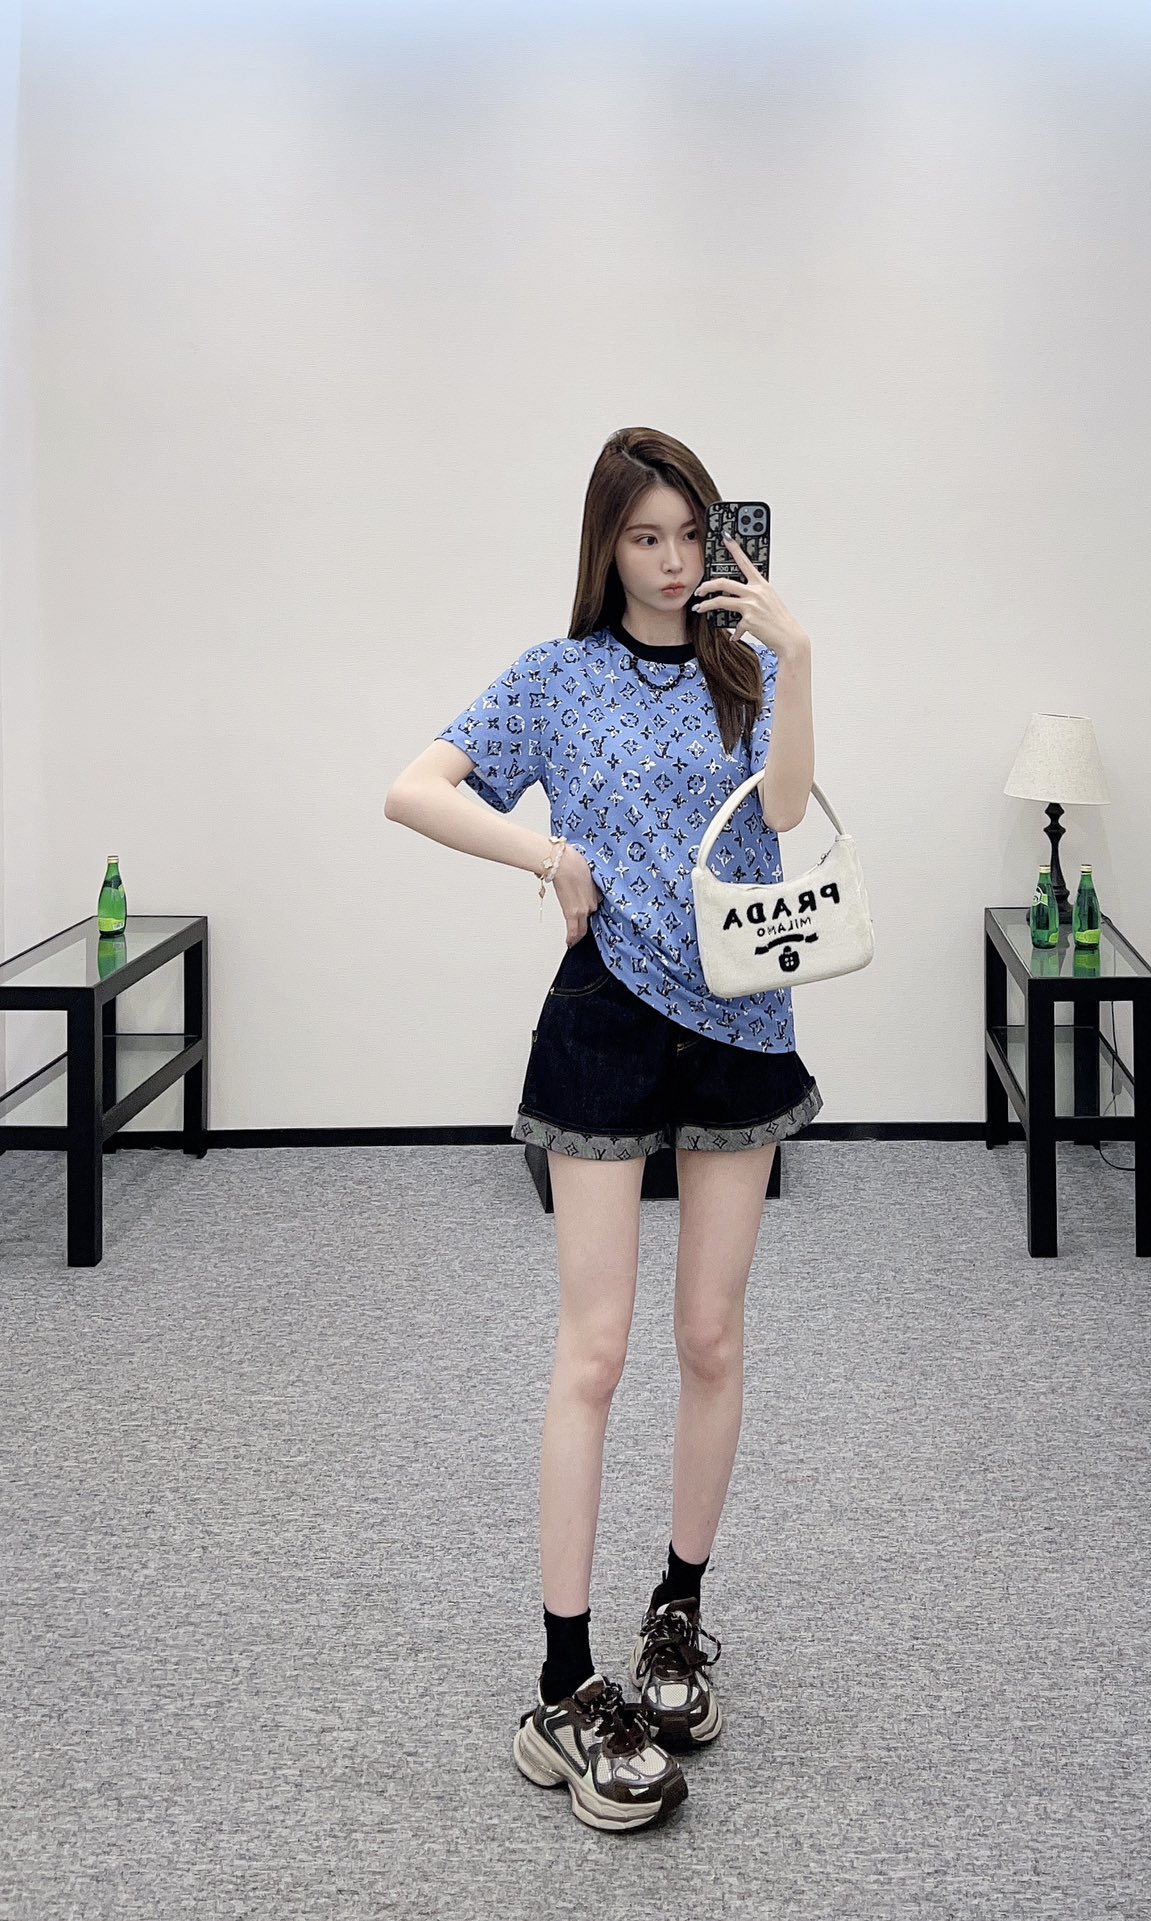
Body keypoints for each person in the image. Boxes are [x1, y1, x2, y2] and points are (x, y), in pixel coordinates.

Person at [384, 426, 822, 1833]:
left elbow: (787, 811)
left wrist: (799, 658)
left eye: (692, 534)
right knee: (595, 1350)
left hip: (740, 1016)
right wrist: (551, 854)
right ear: (607, 545)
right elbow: (413, 787)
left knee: (713, 1336)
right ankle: (564, 1683)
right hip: (605, 1023)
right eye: (646, 537)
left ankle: (676, 1616)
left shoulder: (747, 668)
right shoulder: (555, 676)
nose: (674, 561)